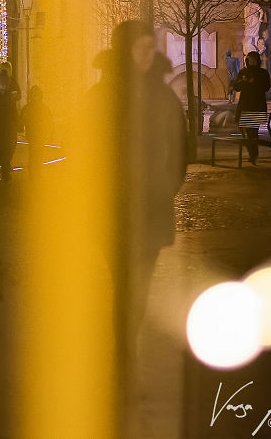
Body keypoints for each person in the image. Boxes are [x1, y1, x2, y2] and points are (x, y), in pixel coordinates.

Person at [86, 19, 186, 381]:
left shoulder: (164, 96)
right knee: (123, 281)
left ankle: (126, 340)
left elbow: (180, 147)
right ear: (123, 50)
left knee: (140, 281)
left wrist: (168, 184)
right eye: (139, 47)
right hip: (113, 207)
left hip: (152, 205)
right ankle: (123, 345)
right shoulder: (103, 95)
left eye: (150, 47)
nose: (146, 54)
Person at [233, 51, 271, 164]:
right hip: (245, 106)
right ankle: (253, 153)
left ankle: (253, 154)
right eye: (250, 59)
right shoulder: (243, 72)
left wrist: (254, 82)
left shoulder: (263, 73)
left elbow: (266, 87)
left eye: (254, 59)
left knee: (253, 131)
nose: (251, 61)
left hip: (256, 106)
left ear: (257, 60)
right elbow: (237, 87)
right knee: (247, 132)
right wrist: (244, 81)